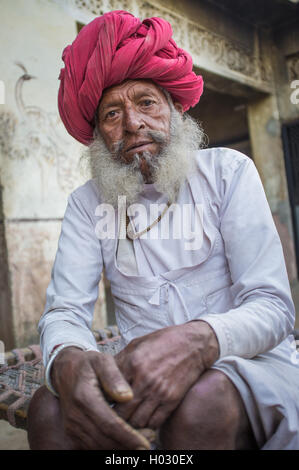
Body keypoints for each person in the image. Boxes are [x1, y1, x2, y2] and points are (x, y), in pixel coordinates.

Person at [27, 10, 299, 450]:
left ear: (174, 108)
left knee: (201, 402)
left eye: (146, 103)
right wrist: (67, 360)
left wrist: (199, 341)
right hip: (141, 378)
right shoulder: (87, 203)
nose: (132, 123)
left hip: (247, 365)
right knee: (49, 409)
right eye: (112, 113)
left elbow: (273, 309)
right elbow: (64, 314)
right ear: (98, 134)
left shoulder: (229, 173)